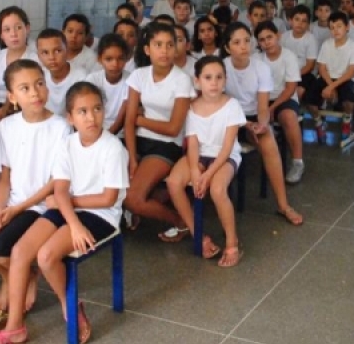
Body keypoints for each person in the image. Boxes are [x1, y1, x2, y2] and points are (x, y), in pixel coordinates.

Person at [0, 82, 128, 344]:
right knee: (19, 252)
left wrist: (70, 212)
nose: (91, 117)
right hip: (70, 209)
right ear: (70, 118)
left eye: (97, 109)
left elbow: (108, 197)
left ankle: (70, 306)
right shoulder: (68, 143)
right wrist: (73, 222)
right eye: (82, 111)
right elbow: (59, 190)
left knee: (46, 256)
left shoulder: (112, 148)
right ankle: (14, 326)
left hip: (101, 214)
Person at [0, 59, 70, 315]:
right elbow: (5, 176)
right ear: (12, 96)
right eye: (25, 88)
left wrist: (18, 208)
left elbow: (56, 180)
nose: (35, 92)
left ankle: (27, 275)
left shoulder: (60, 127)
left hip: (40, 206)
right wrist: (0, 211)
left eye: (39, 84)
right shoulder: (7, 126)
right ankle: (14, 277)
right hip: (12, 202)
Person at [166, 56, 245, 266]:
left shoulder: (232, 105)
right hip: (200, 154)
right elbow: (192, 143)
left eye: (219, 77)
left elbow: (227, 147)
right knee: (174, 182)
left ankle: (231, 241)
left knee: (217, 189)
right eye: (208, 77)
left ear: (225, 80)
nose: (214, 82)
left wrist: (208, 175)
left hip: (225, 156)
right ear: (197, 81)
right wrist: (194, 170)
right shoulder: (192, 107)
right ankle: (197, 233)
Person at [221, 23, 303, 226]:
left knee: (269, 143)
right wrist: (242, 123)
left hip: (251, 116)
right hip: (227, 118)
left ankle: (283, 205)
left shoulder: (261, 68)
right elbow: (219, 102)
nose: (244, 46)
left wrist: (261, 124)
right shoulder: (221, 66)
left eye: (247, 41)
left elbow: (263, 106)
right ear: (227, 47)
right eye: (237, 42)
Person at [123, 23, 194, 239]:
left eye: (170, 45)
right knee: (114, 186)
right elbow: (128, 121)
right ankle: (149, 203)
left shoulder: (181, 80)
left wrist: (141, 120)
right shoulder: (138, 75)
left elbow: (173, 128)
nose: (164, 51)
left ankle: (180, 220)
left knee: (132, 199)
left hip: (166, 145)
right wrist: (132, 158)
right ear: (147, 49)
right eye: (158, 45)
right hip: (138, 141)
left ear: (176, 49)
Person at [256, 22, 306, 184]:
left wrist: (272, 107)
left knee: (289, 116)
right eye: (262, 40)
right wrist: (264, 107)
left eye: (269, 37)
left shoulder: (289, 56)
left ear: (278, 36)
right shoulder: (256, 59)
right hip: (262, 99)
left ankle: (298, 162)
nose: (266, 42)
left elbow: (291, 88)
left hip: (285, 98)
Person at [305, 12, 354, 143]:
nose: (335, 30)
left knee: (349, 101)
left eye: (339, 26)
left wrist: (332, 87)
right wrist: (330, 85)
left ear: (347, 27)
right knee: (309, 102)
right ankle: (319, 123)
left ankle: (347, 122)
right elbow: (322, 68)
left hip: (344, 79)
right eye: (332, 27)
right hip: (327, 78)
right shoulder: (326, 44)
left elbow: (350, 73)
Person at [0, 7, 39, 122]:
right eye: (7, 30)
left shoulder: (35, 60)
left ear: (27, 28)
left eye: (18, 28)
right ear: (1, 35)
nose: (13, 34)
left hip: (21, 113)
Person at [85, 34, 130, 137]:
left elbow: (122, 120)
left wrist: (106, 138)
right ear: (100, 59)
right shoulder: (92, 80)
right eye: (109, 59)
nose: (115, 64)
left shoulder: (131, 81)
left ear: (126, 59)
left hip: (120, 135)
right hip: (94, 130)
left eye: (120, 58)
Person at [35, 29, 88, 116]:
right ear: (38, 56)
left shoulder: (81, 77)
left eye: (57, 51)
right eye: (45, 52)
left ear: (67, 50)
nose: (51, 57)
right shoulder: (38, 77)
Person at [281, 5, 318, 101]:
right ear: (290, 21)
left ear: (308, 24)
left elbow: (310, 66)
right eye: (297, 19)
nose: (300, 23)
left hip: (304, 74)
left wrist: (293, 76)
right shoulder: (284, 37)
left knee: (298, 91)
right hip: (285, 73)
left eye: (304, 21)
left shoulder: (310, 39)